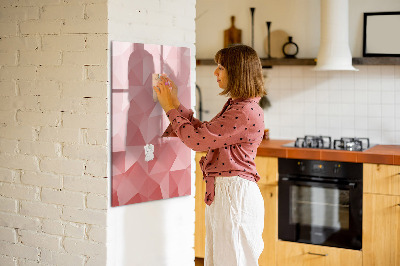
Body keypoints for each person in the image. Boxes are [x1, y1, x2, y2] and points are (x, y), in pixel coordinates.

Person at [153, 44, 266, 266]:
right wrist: (175, 104)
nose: (215, 72)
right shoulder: (239, 106)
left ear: (237, 71)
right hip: (228, 193)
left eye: (221, 67)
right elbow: (205, 133)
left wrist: (169, 108)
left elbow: (197, 141)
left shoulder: (243, 111)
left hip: (234, 195)